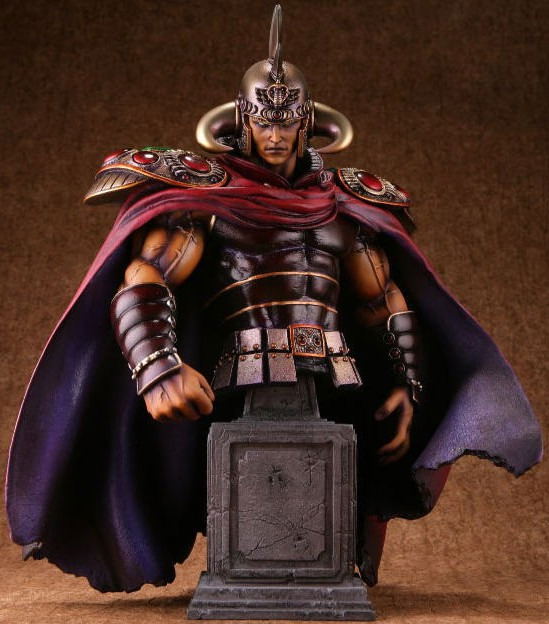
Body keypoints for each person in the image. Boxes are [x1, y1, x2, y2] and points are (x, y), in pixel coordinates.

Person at [7, 4, 541, 594]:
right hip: (239, 376)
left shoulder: (345, 204)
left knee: (344, 470)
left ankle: (319, 564)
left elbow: (383, 297)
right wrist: (157, 366)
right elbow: (145, 276)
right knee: (237, 475)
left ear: (309, 121)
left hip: (336, 377)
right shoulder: (207, 200)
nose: (276, 135)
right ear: (241, 119)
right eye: (264, 121)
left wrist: (407, 383)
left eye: (287, 122)